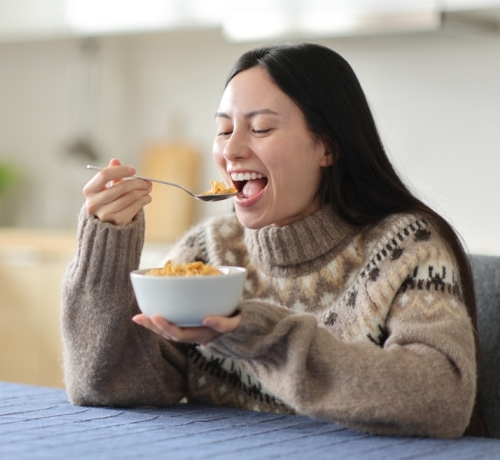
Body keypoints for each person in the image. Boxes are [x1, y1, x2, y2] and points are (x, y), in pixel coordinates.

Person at [60, 43, 487, 439]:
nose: (232, 150)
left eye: (261, 128)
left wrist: (260, 334)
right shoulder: (207, 252)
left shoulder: (408, 248)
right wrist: (105, 247)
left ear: (327, 146)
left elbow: (441, 399)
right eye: (224, 130)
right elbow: (107, 386)